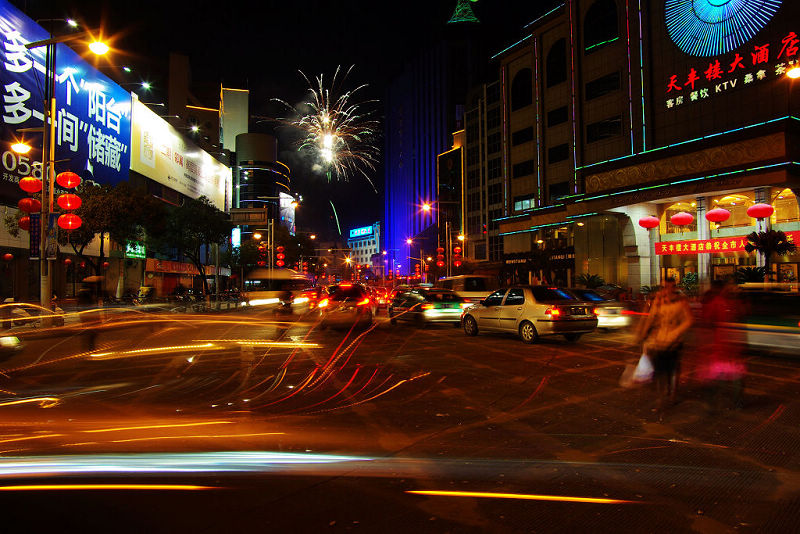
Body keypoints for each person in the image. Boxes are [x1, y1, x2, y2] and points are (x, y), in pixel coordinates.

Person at [636, 277, 693, 411]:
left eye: (670, 287)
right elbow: (651, 318)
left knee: (673, 369)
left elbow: (688, 320)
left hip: (674, 342)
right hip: (659, 341)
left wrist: (676, 333)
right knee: (660, 371)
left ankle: (672, 395)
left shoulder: (681, 301)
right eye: (665, 287)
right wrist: (643, 333)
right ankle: (661, 397)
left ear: (674, 287)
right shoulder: (659, 301)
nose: (667, 290)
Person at [698, 279, 746, 410]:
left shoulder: (731, 303)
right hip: (723, 346)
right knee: (722, 375)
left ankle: (728, 401)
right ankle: (720, 401)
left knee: (729, 376)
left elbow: (708, 322)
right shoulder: (719, 302)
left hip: (728, 346)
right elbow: (708, 322)